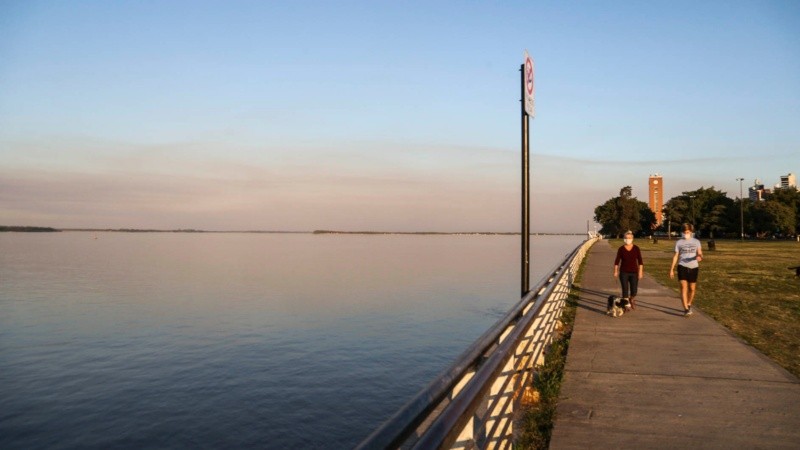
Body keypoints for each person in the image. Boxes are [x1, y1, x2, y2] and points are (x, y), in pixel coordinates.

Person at [669, 223, 703, 316]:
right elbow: (676, 256)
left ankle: (689, 303)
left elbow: (700, 253)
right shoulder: (679, 242)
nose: (686, 234)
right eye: (684, 232)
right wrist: (671, 269)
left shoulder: (696, 242)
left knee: (692, 288)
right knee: (684, 287)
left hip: (694, 267)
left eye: (687, 232)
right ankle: (686, 309)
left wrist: (700, 256)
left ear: (691, 232)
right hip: (682, 266)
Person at [613, 230, 644, 309]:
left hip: (634, 272)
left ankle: (631, 298)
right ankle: (626, 306)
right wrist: (615, 271)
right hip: (624, 272)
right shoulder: (621, 249)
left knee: (634, 291)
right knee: (625, 290)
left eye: (629, 238)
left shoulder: (636, 248)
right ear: (624, 239)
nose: (628, 239)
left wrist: (640, 272)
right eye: (626, 238)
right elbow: (617, 261)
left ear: (632, 239)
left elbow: (640, 261)